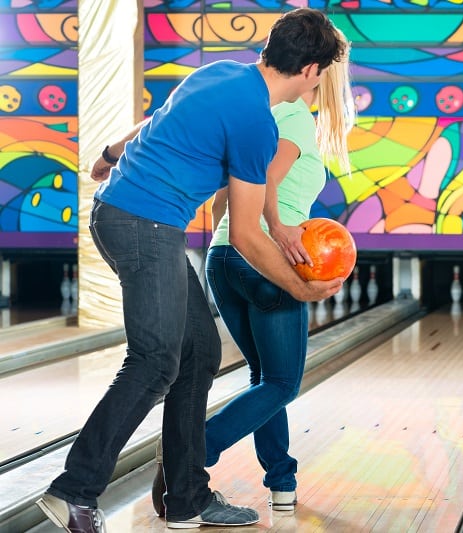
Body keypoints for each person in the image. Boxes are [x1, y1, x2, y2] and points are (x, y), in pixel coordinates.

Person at [36, 8, 347, 532]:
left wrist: (110, 153)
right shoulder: (255, 123)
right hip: (145, 226)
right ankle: (74, 491)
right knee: (156, 361)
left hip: (133, 218)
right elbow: (247, 234)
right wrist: (302, 286)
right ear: (312, 70)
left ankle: (186, 499)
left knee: (198, 352)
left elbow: (156, 119)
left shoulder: (219, 72)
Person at [151, 36, 355, 520]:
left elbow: (228, 197)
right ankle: (193, 454)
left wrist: (239, 232)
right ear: (314, 72)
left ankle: (281, 479)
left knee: (264, 378)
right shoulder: (295, 117)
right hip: (267, 259)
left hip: (226, 256)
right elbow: (269, 177)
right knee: (283, 383)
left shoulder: (260, 110)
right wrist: (278, 229)